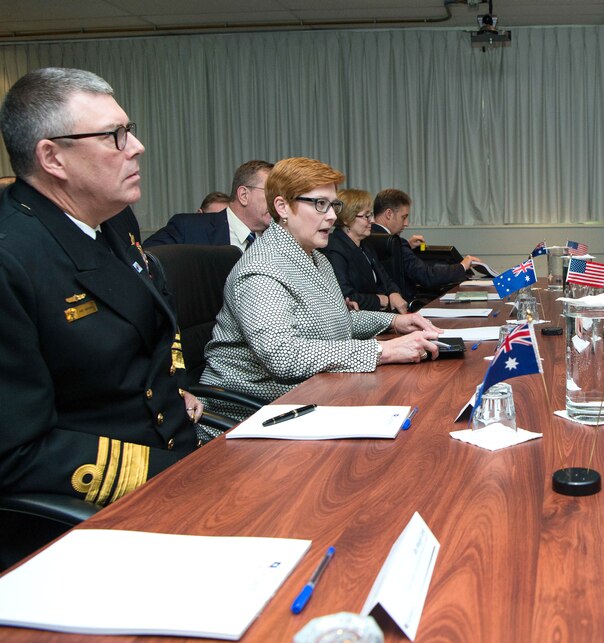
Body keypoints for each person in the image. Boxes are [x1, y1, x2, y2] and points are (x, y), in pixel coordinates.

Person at [0, 67, 204, 505]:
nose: (137, 147)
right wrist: (178, 477)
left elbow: (155, 312)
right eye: (114, 136)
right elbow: (16, 453)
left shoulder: (114, 218)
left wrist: (178, 386)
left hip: (176, 450)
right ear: (53, 158)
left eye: (129, 130)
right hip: (99, 501)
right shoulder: (11, 258)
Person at [199, 158, 442, 421]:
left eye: (333, 204)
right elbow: (283, 355)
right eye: (319, 204)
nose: (333, 215)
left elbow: (339, 321)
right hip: (253, 413)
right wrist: (383, 351)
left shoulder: (316, 258)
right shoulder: (261, 269)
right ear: (282, 207)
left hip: (311, 395)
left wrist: (396, 320)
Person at [367, 188, 478, 301]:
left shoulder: (367, 237)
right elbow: (427, 276)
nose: (406, 223)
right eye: (404, 217)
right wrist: (462, 266)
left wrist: (407, 247)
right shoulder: (396, 244)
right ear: (389, 214)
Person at [143, 160, 273, 250]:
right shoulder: (189, 229)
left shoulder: (276, 238)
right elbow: (145, 261)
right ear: (244, 195)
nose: (277, 203)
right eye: (271, 193)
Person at [317, 188, 408, 313]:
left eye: (370, 215)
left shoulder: (365, 243)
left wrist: (394, 293)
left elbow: (386, 279)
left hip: (379, 315)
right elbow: (346, 297)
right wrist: (381, 300)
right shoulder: (335, 249)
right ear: (347, 219)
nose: (371, 220)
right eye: (366, 216)